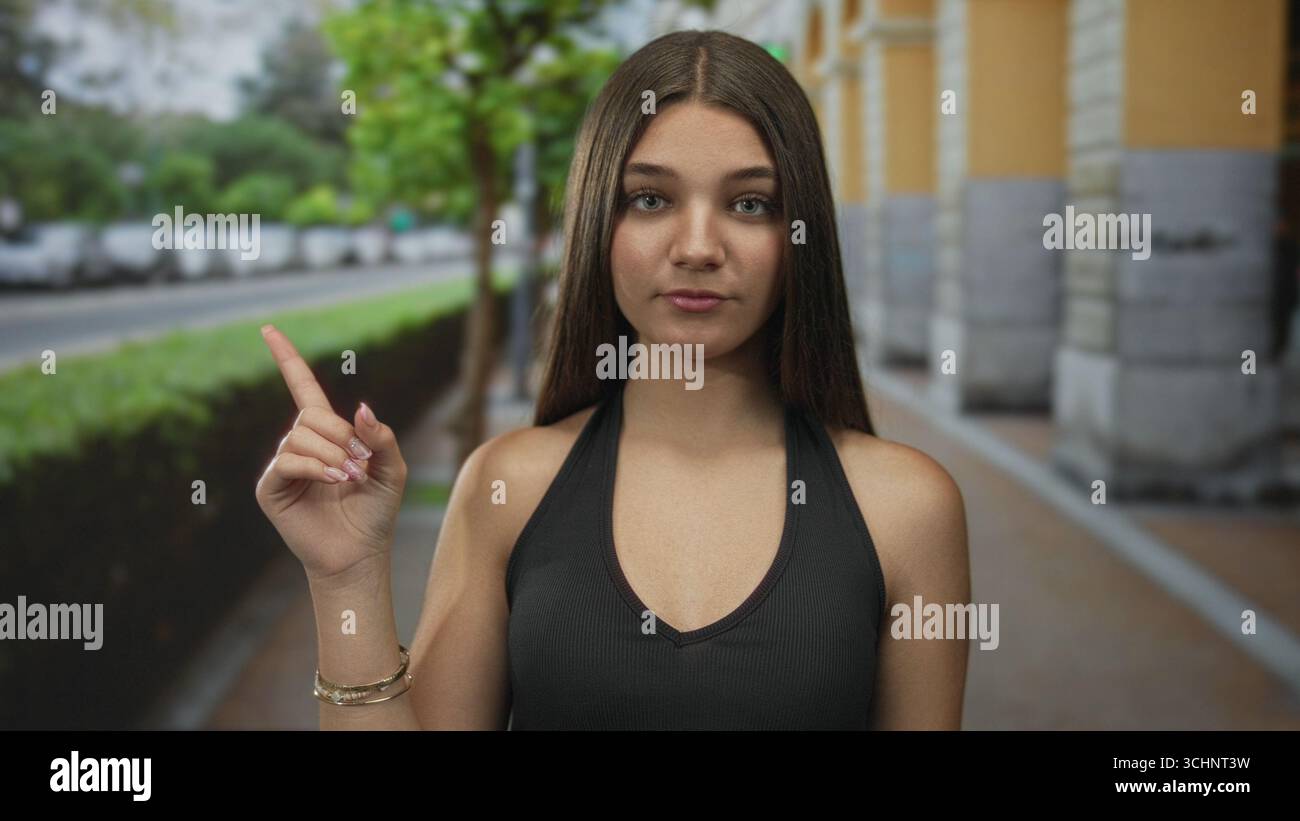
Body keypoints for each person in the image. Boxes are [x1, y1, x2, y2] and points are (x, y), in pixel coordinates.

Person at [255, 29, 969, 730]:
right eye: (651, 199)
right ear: (600, 217)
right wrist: (345, 576)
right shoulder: (507, 488)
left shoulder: (906, 507)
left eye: (751, 203)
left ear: (799, 233)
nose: (697, 248)